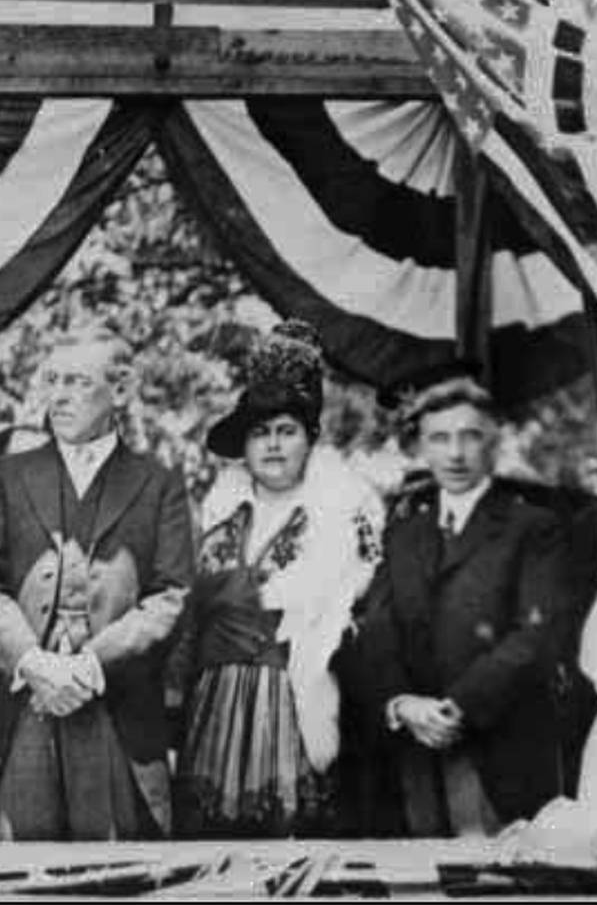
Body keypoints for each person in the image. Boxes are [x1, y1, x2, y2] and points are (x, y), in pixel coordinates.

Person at [0, 331, 195, 840]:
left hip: (114, 708)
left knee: (112, 873)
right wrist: (34, 663)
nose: (58, 395)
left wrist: (87, 667)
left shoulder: (159, 483)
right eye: (52, 381)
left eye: (78, 382)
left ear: (121, 391)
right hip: (23, 705)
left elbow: (171, 596)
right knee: (16, 874)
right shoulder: (6, 477)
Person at [343, 366, 583, 838]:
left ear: (494, 441)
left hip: (499, 747)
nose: (454, 453)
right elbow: (378, 628)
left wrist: (458, 707)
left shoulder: (534, 528)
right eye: (439, 438)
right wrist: (402, 703)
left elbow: (536, 636)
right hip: (415, 754)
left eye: (469, 436)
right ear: (421, 447)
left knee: (495, 883)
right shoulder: (403, 534)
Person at [171, 321, 384, 837]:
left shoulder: (344, 504)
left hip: (300, 682)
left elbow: (356, 599)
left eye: (285, 431)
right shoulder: (223, 506)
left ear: (309, 437)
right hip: (218, 688)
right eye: (259, 433)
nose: (272, 445)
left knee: (296, 830)